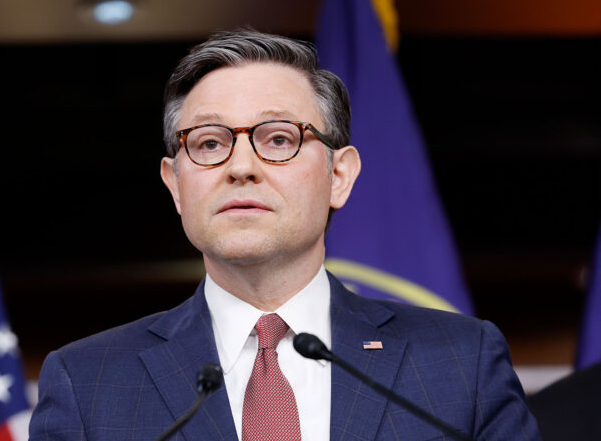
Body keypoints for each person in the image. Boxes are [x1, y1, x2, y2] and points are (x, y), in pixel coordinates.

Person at [29, 30, 541, 440]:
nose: (241, 167)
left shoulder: (461, 362)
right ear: (175, 184)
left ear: (339, 175)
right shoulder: (88, 382)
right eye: (209, 143)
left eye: (279, 138)